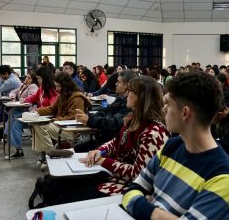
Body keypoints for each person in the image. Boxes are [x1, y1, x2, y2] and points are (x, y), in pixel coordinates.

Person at [122, 71, 229, 219]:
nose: (164, 109)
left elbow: (135, 198)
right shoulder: (172, 146)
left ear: (185, 113)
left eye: (169, 104)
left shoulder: (223, 177)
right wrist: (159, 214)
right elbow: (130, 192)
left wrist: (150, 210)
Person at [39, 76, 169, 206]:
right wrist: (99, 151)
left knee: (65, 198)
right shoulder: (134, 120)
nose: (127, 93)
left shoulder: (153, 132)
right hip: (114, 175)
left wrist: (104, 161)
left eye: (130, 90)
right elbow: (115, 142)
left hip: (129, 188)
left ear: (141, 97)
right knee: (59, 185)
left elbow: (138, 174)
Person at [31, 72, 91, 161]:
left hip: (71, 131)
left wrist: (54, 120)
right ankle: (48, 154)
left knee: (40, 125)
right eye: (56, 86)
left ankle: (49, 154)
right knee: (36, 124)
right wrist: (37, 111)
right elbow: (53, 109)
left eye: (58, 86)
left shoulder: (77, 98)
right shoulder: (63, 95)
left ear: (66, 85)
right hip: (61, 126)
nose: (57, 89)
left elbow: (73, 117)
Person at [74, 70, 136, 152]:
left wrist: (90, 119)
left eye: (118, 82)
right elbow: (105, 111)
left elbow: (113, 124)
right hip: (106, 139)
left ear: (127, 85)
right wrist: (89, 116)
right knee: (77, 148)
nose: (115, 84)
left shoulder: (129, 105)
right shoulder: (120, 99)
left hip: (111, 142)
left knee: (77, 149)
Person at [6, 68, 58, 159]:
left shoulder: (52, 90)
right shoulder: (41, 88)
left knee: (14, 116)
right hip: (38, 116)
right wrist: (24, 100)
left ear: (46, 78)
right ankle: (19, 149)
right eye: (38, 78)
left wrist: (39, 111)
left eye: (40, 78)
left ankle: (46, 154)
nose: (38, 81)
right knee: (15, 123)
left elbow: (53, 108)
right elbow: (34, 97)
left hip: (46, 118)